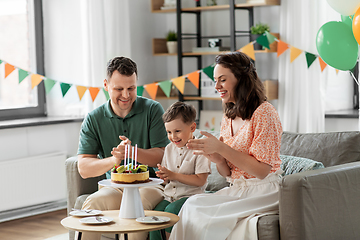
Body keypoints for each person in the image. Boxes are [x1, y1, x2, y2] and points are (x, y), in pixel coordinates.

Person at [169, 51, 283, 240]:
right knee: (192, 204)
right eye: (215, 80)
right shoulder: (228, 116)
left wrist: (221, 148)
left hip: (264, 190)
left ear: (241, 79)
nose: (217, 86)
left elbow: (262, 171)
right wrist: (218, 159)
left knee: (202, 213)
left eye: (222, 80)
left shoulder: (265, 113)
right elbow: (227, 174)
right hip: (239, 188)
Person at [77, 56, 170, 240]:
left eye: (131, 88)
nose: (126, 95)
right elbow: (84, 168)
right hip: (115, 187)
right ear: (106, 84)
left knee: (138, 205)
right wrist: (114, 160)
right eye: (119, 89)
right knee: (93, 203)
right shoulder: (94, 119)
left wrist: (132, 152)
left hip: (151, 185)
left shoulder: (153, 110)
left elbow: (162, 156)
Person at [149, 101, 211, 240]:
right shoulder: (169, 148)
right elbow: (168, 177)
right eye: (169, 132)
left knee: (171, 213)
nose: (173, 136)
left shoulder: (200, 148)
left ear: (192, 127)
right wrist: (165, 176)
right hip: (169, 196)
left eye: (177, 131)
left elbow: (201, 181)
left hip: (190, 197)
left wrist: (173, 175)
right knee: (154, 216)